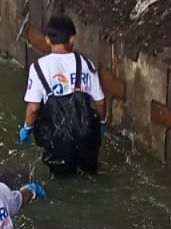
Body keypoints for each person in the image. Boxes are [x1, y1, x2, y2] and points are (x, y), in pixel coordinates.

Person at [19, 15, 106, 176]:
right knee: (90, 173)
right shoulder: (86, 63)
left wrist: (27, 128)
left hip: (57, 136)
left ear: (47, 39)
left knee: (62, 177)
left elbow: (33, 107)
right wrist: (101, 123)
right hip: (85, 131)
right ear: (72, 38)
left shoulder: (39, 67)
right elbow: (100, 102)